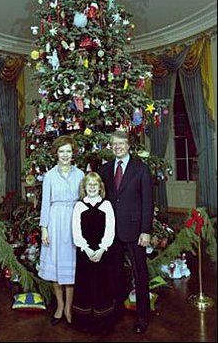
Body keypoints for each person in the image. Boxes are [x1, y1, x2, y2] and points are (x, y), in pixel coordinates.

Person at [99, 130, 154, 334]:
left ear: (129, 145)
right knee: (114, 273)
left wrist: (145, 231)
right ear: (110, 147)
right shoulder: (104, 170)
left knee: (140, 275)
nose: (118, 147)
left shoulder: (141, 169)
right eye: (114, 144)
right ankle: (117, 310)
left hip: (135, 231)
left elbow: (148, 202)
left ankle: (142, 317)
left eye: (121, 143)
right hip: (112, 231)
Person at [38, 135, 84, 326]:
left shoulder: (80, 175)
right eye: (61, 151)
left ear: (73, 154)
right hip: (55, 223)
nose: (65, 155)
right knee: (56, 268)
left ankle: (69, 308)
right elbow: (45, 205)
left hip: (74, 223)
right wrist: (44, 229)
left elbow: (85, 202)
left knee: (70, 268)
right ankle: (59, 305)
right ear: (56, 153)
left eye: (68, 151)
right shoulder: (49, 176)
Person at [72, 172, 115, 333]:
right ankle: (83, 321)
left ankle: (102, 322)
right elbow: (76, 231)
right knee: (85, 285)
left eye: (95, 185)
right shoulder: (79, 206)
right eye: (88, 185)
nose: (92, 187)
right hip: (85, 252)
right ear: (84, 187)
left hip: (102, 252)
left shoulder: (106, 205)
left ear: (100, 187)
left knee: (102, 285)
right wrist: (87, 249)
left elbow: (110, 229)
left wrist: (102, 249)